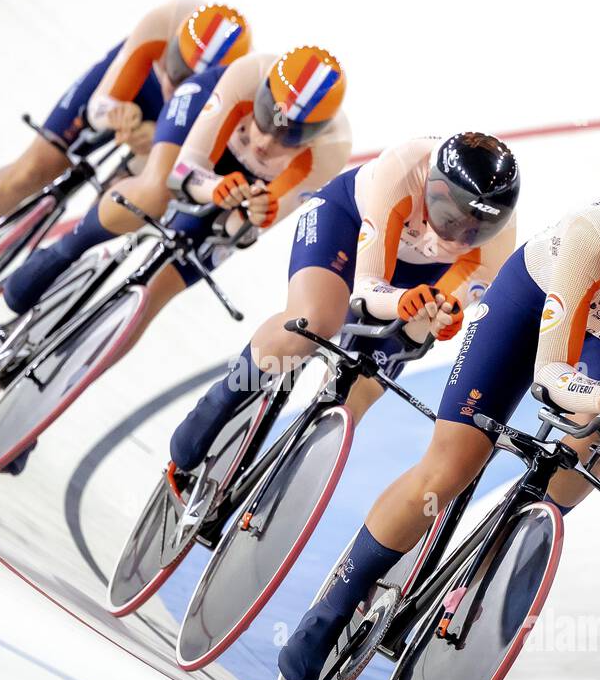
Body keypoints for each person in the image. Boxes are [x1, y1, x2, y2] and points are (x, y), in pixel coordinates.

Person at [278, 199, 600, 680]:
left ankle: (479, 577)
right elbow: (550, 376)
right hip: (529, 301)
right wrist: (597, 395)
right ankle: (334, 607)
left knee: (587, 463)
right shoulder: (588, 240)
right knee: (450, 468)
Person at [0, 46, 353, 474]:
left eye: (288, 136)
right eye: (264, 117)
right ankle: (68, 249)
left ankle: (38, 418)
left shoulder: (330, 151)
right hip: (203, 137)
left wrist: (252, 211)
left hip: (248, 184)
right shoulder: (244, 75)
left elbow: (245, 232)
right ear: (261, 93)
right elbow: (181, 173)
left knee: (154, 294)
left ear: (314, 132)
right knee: (151, 192)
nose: (264, 140)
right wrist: (213, 188)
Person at [167, 133, 521, 494]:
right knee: (312, 323)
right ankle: (218, 405)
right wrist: (403, 302)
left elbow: (432, 313)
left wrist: (440, 316)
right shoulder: (404, 168)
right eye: (449, 217)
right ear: (433, 187)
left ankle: (282, 492)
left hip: (418, 277)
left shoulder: (499, 243)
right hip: (348, 224)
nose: (458, 236)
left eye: (475, 231)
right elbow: (367, 290)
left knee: (357, 392)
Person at [0, 0, 251, 312]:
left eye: (192, 80)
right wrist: (115, 113)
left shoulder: (229, 94)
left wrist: (155, 141)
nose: (176, 83)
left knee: (123, 203)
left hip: (176, 127)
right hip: (134, 89)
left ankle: (58, 266)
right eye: (176, 68)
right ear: (172, 43)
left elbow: (184, 162)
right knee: (35, 167)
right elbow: (101, 101)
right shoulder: (162, 23)